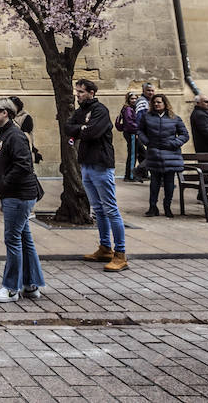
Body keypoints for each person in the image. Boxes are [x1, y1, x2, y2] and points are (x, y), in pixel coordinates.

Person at [65, 79, 128, 272]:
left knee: (110, 209)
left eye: (81, 92)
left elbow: (93, 132)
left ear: (91, 93)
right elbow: (67, 127)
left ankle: (120, 254)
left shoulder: (100, 110)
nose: (77, 95)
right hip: (86, 163)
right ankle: (105, 247)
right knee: (98, 209)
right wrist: (81, 128)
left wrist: (81, 130)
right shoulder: (80, 111)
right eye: (77, 91)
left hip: (101, 164)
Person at [0, 98, 45, 303]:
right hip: (13, 195)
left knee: (12, 239)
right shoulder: (6, 134)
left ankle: (11, 288)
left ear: (6, 113)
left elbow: (23, 165)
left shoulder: (15, 135)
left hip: (18, 195)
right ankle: (31, 284)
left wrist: (4, 184)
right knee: (24, 239)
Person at [139, 92, 189, 217]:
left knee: (169, 183)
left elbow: (184, 135)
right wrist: (147, 142)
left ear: (165, 103)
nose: (156, 104)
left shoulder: (174, 118)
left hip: (171, 154)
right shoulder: (147, 117)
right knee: (154, 183)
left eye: (159, 102)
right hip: (154, 153)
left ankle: (167, 207)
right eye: (154, 102)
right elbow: (140, 130)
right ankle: (152, 207)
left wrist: (174, 143)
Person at [115, 93, 141, 182]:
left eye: (135, 98)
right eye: (132, 99)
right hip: (131, 133)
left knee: (137, 153)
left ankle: (135, 173)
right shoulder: (128, 109)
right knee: (132, 155)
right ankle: (130, 176)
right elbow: (130, 123)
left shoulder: (132, 108)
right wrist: (139, 129)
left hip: (132, 133)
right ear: (128, 99)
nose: (134, 100)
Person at [132, 85, 152, 181]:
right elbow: (139, 118)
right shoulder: (143, 102)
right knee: (153, 154)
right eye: (148, 90)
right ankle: (139, 170)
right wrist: (139, 133)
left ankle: (141, 171)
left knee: (150, 154)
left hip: (150, 132)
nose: (151, 92)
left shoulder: (149, 101)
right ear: (143, 91)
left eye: (152, 90)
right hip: (148, 133)